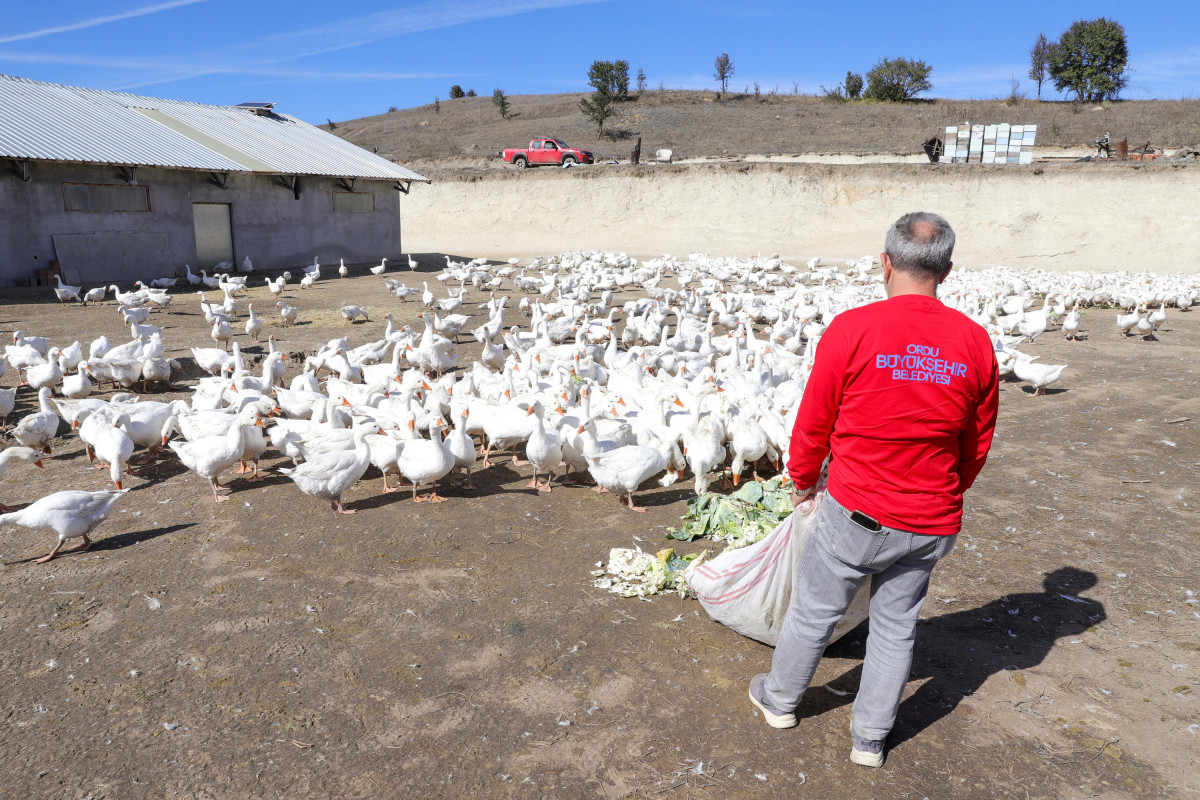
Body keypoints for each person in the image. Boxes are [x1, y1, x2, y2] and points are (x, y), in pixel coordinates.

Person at [747, 211, 1000, 767]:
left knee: (814, 610)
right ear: (947, 271)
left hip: (856, 512)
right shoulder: (976, 343)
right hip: (931, 520)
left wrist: (803, 481)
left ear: (884, 263)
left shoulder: (853, 329)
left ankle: (782, 700)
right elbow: (975, 445)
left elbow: (814, 421)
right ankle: (870, 739)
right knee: (895, 627)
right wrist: (943, 496)